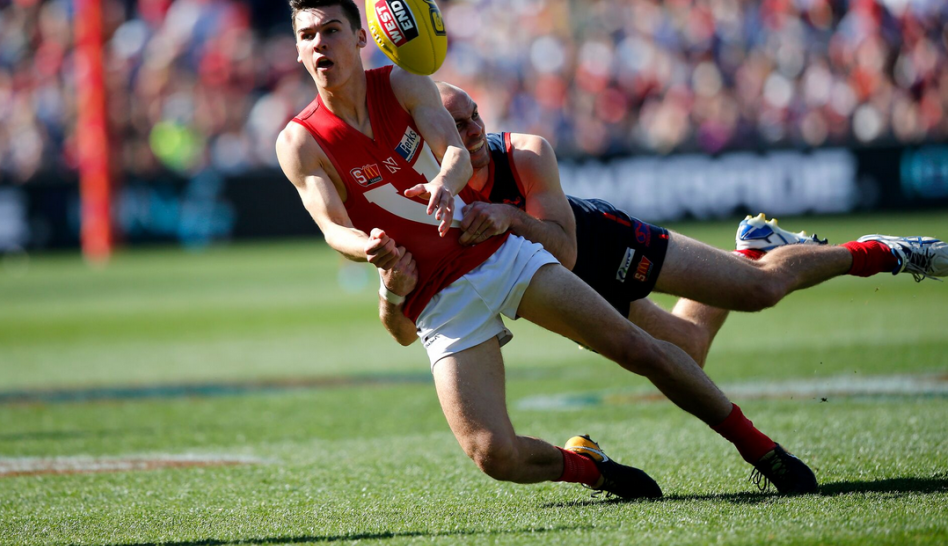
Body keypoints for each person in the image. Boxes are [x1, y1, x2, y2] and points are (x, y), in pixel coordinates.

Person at [276, 0, 820, 499]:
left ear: (359, 38)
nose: (319, 43)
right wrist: (367, 245)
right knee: (494, 454)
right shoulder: (299, 141)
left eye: (330, 30)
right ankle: (590, 468)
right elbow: (331, 226)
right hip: (438, 300)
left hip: (492, 250)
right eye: (307, 36)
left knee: (640, 348)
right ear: (298, 51)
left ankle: (761, 451)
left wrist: (445, 179)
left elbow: (457, 154)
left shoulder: (404, 83)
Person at [376, 82, 948, 367]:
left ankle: (884, 251)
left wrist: (504, 216)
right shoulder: (425, 190)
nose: (472, 129)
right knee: (690, 349)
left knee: (760, 291)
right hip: (574, 291)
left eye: (474, 115)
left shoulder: (523, 153)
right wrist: (392, 287)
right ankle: (755, 246)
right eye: (456, 123)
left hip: (602, 246)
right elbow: (407, 319)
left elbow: (566, 251)